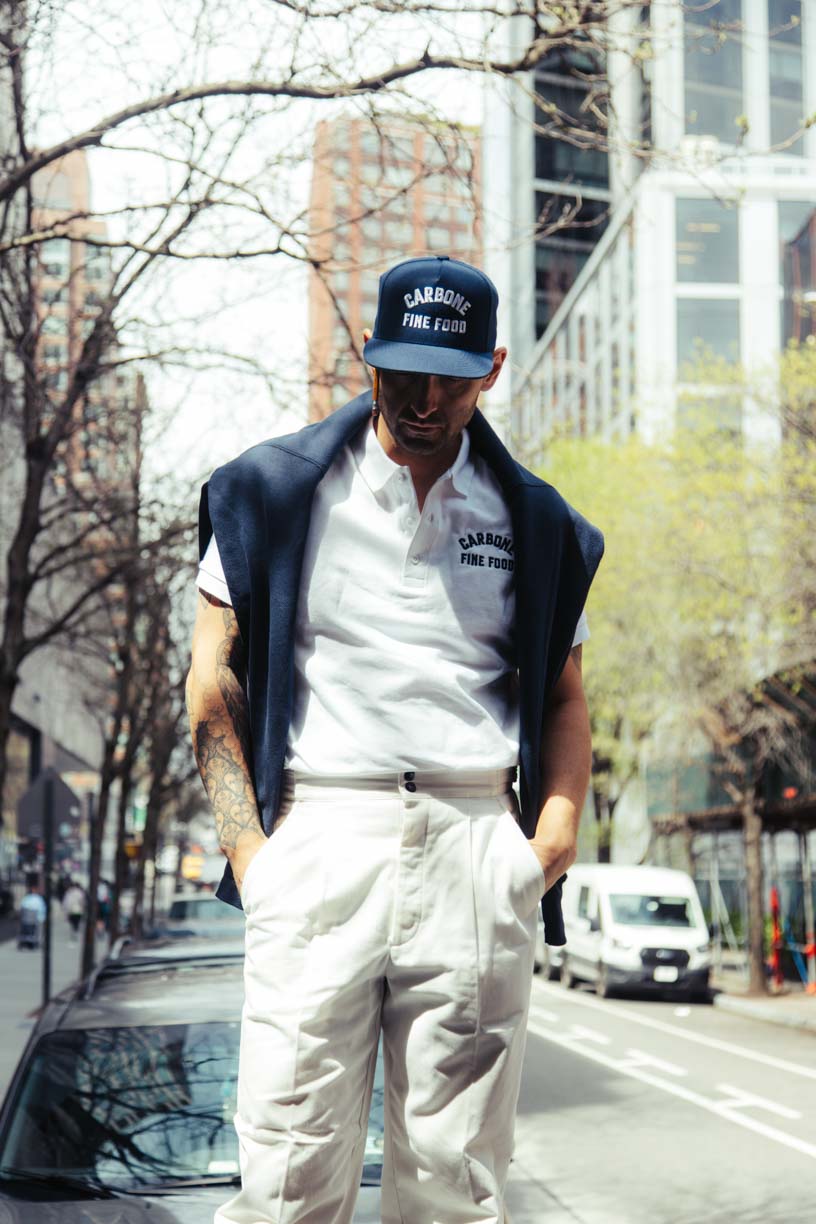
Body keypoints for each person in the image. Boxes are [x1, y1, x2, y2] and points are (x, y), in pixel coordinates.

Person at [187, 255, 604, 1224]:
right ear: (368, 356)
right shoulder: (271, 492)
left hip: (473, 842)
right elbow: (213, 683)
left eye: (451, 379)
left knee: (456, 1192)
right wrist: (253, 859)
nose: (424, 400)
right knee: (285, 1186)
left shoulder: (537, 521)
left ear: (491, 369)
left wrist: (546, 843)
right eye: (404, 371)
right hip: (320, 838)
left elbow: (564, 697)